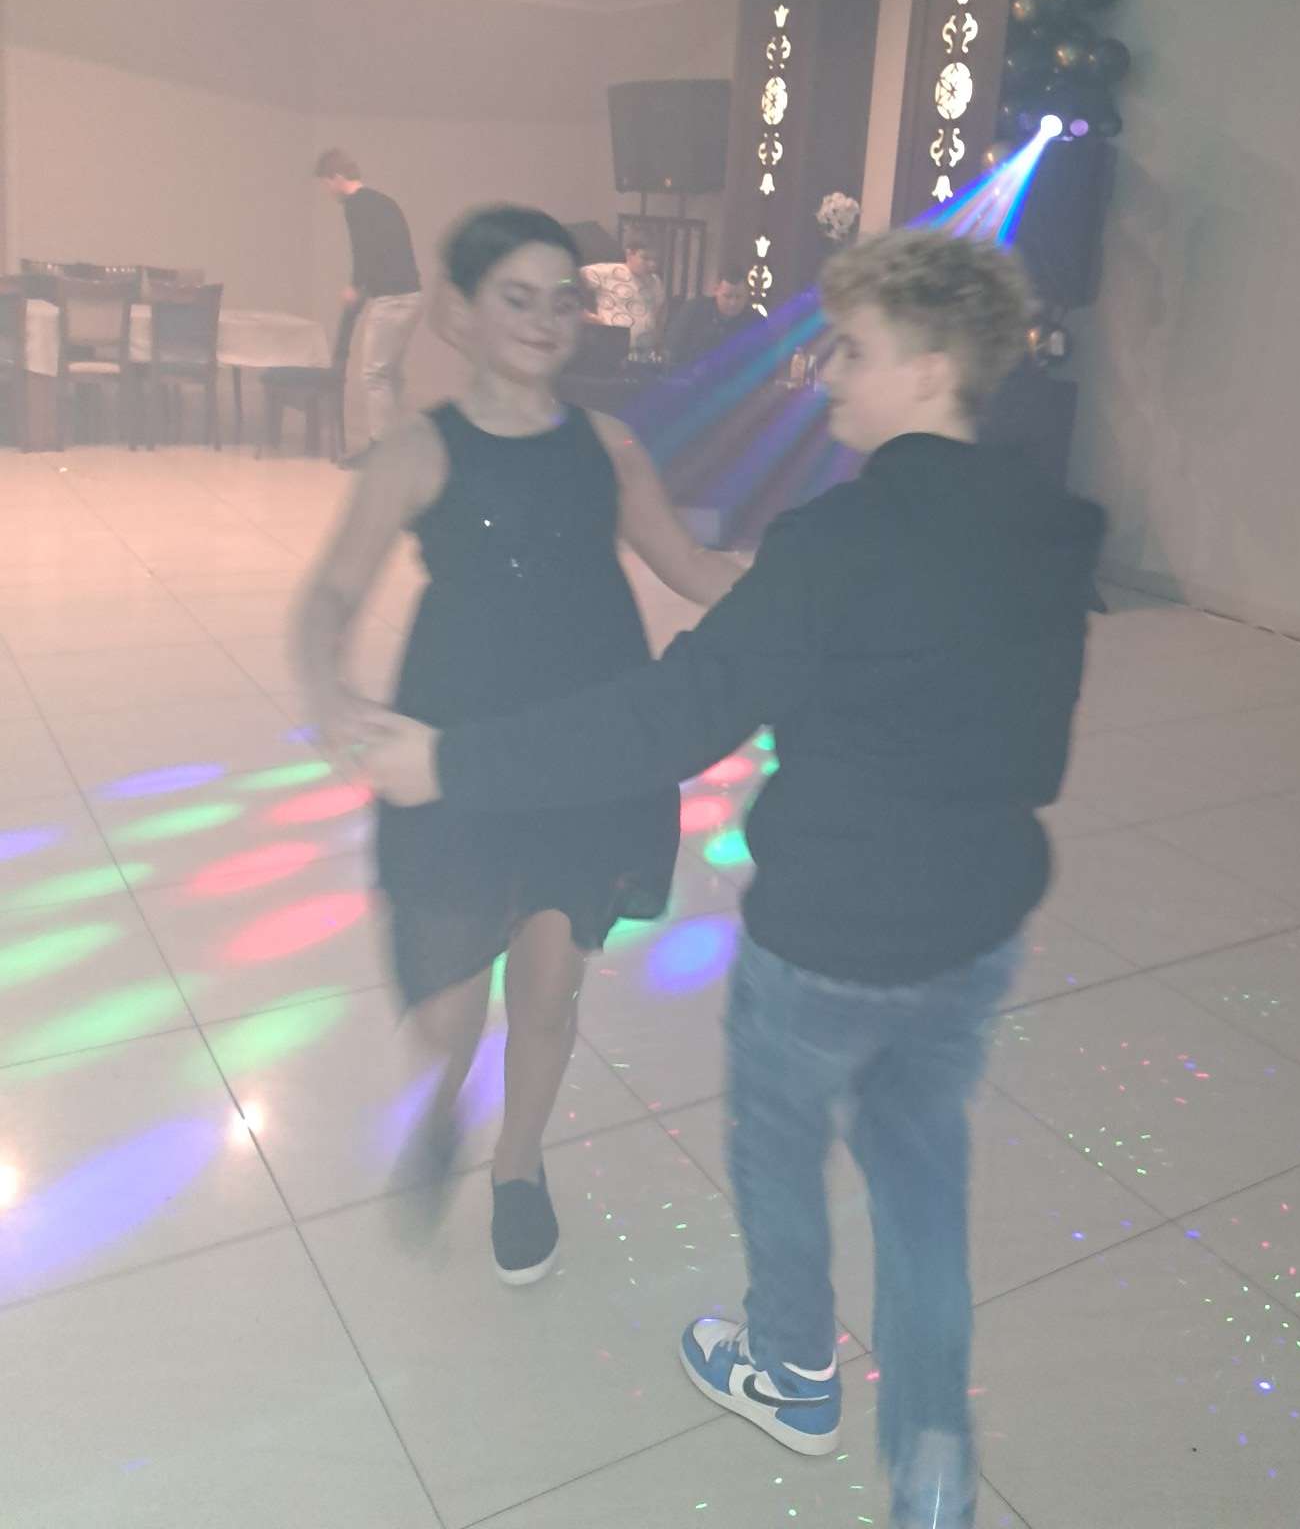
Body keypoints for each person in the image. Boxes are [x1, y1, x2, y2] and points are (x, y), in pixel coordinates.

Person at [360, 229, 1104, 1529]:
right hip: (979, 921)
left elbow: (667, 717)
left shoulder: (838, 540)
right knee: (922, 1175)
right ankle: (934, 1460)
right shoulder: (1054, 525)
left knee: (780, 1150)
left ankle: (794, 1371)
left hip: (829, 934)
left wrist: (451, 759)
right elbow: (1034, 751)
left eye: (853, 351)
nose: (829, 377)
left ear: (932, 368)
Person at [291, 204, 744, 1283]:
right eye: (517, 297)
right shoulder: (419, 448)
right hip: (457, 748)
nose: (546, 320)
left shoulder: (609, 445)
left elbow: (690, 565)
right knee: (448, 1003)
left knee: (550, 987)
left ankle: (519, 1164)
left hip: (586, 747)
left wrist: (816, 597)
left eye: (562, 299)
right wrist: (327, 689)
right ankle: (444, 1099)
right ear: (459, 312)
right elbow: (332, 593)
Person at [314, 150, 424, 455]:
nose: (327, 191)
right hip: (412, 296)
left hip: (391, 300)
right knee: (391, 374)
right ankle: (401, 444)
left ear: (337, 177)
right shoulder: (383, 201)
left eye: (326, 183)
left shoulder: (355, 206)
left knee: (375, 374)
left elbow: (364, 250)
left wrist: (355, 286)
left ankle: (379, 449)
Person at [580, 226, 668, 360]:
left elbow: (660, 313)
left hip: (643, 354)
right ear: (629, 253)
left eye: (655, 260)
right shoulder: (606, 272)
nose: (652, 264)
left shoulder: (656, 281)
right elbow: (567, 281)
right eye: (645, 258)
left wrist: (659, 343)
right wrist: (585, 315)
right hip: (610, 350)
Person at [667, 267, 751, 371]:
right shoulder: (693, 311)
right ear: (716, 291)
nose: (732, 303)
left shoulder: (755, 322)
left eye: (739, 297)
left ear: (747, 295)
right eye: (727, 296)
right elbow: (672, 349)